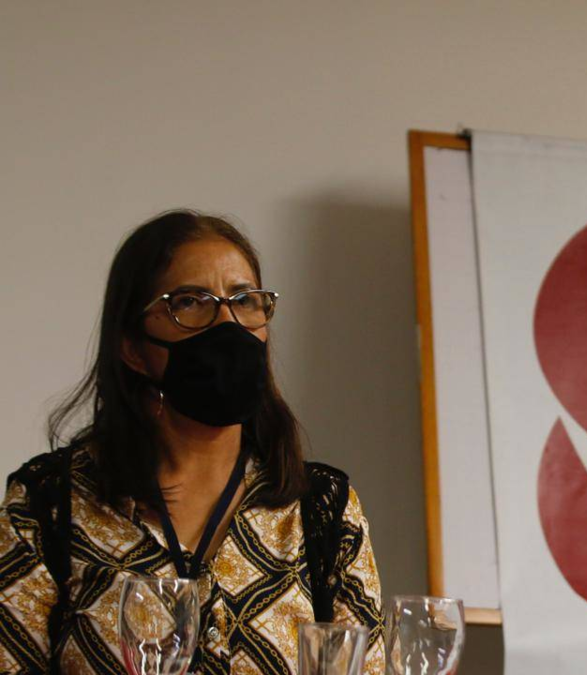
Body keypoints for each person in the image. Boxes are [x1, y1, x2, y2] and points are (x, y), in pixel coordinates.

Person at [0, 210, 383, 674]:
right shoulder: (49, 504)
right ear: (133, 348)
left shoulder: (322, 508)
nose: (227, 323)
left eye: (245, 300)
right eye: (190, 301)